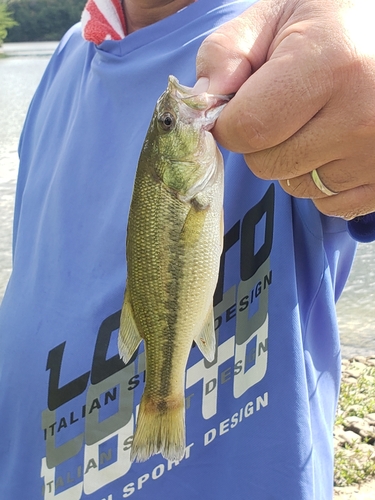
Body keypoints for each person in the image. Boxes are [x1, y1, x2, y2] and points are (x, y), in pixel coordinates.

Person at [0, 0, 373, 498]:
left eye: (166, 126)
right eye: (167, 126)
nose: (174, 113)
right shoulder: (69, 55)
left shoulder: (285, 44)